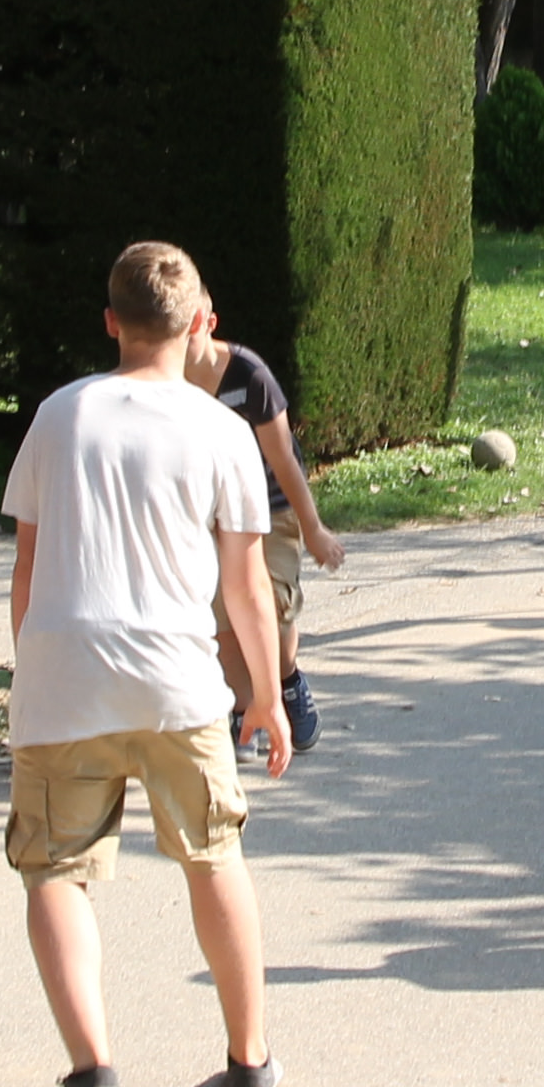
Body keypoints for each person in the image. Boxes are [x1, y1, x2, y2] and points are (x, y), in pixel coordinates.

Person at [0, 240, 290, 1087]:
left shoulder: (59, 414)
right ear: (201, 324)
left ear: (110, 322)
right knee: (214, 855)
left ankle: (92, 1068)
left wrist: (32, 667)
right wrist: (267, 696)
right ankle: (249, 1056)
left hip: (65, 673)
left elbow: (28, 568)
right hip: (178, 680)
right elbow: (246, 587)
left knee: (56, 871)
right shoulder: (221, 430)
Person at [188, 305, 351, 754]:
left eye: (189, 330)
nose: (179, 343)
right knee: (220, 608)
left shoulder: (248, 375)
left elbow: (282, 457)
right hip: (210, 514)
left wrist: (312, 529)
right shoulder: (165, 381)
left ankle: (286, 679)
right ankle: (246, 710)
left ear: (209, 323)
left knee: (272, 603)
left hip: (270, 508)